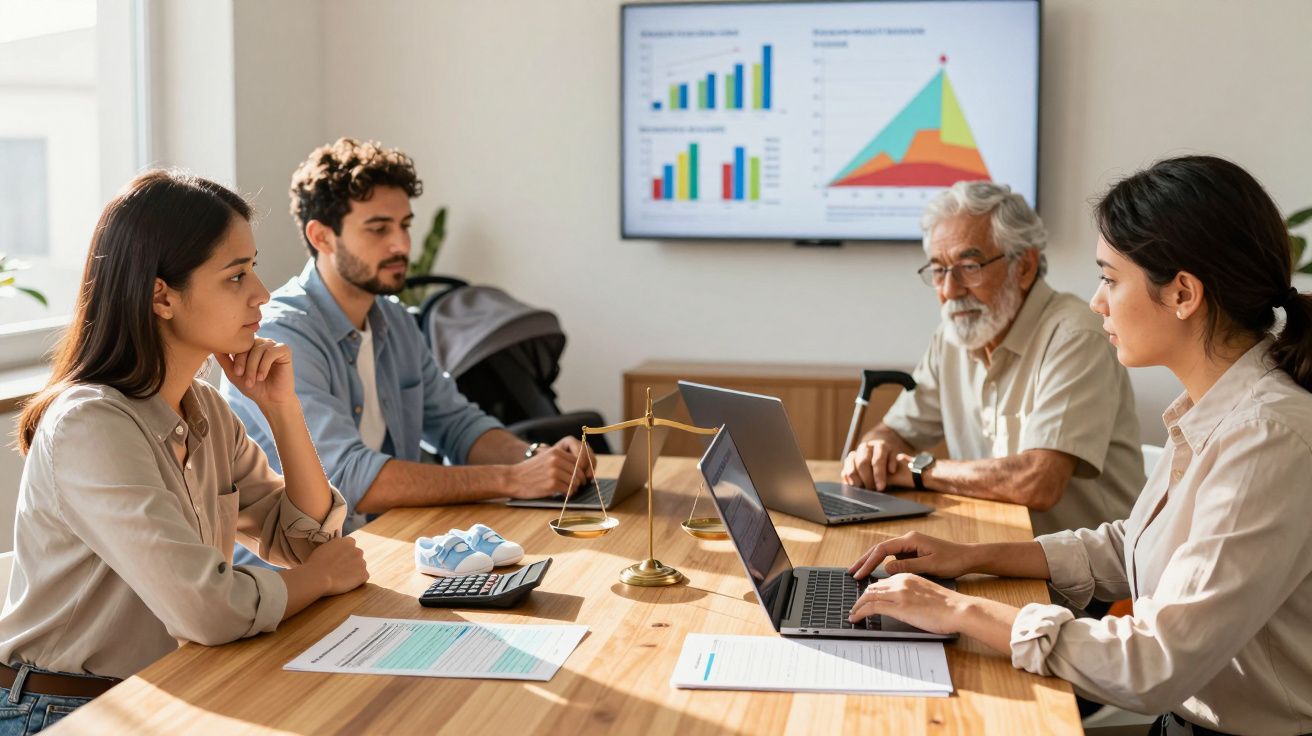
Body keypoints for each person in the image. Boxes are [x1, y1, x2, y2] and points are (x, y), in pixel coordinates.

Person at [847, 156, 1312, 735]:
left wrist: (956, 607)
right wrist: (972, 556)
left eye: (1111, 279)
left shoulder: (1266, 437)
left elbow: (1153, 664)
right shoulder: (1211, 408)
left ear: (1183, 294)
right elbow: (1130, 547)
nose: (1098, 302)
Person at [0, 170, 369, 731]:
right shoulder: (90, 425)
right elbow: (209, 608)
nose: (261, 292)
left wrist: (282, 411)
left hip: (166, 688)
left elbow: (304, 540)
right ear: (161, 296)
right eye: (236, 275)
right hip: (64, 711)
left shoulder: (205, 409)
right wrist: (318, 580)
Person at [221, 138, 590, 548]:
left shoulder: (393, 320)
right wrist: (512, 480)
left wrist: (535, 459)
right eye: (379, 229)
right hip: (298, 579)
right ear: (322, 237)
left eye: (405, 225)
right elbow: (348, 478)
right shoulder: (283, 334)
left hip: (383, 547)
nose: (401, 245)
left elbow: (456, 424)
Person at [841, 180, 1144, 537]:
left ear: (1025, 266)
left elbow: (1038, 482)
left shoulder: (1076, 336)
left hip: (1089, 580)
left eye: (969, 266)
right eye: (938, 269)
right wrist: (876, 452)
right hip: (997, 547)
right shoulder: (953, 336)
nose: (950, 291)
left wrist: (919, 471)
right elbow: (898, 431)